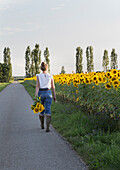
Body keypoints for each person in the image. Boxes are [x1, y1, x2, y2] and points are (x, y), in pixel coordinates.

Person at [35, 62, 56, 132]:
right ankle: (48, 127)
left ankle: (42, 125)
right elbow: (53, 87)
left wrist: (36, 96)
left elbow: (37, 86)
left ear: (41, 68)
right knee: (48, 109)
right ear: (47, 68)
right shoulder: (50, 76)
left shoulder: (38, 75)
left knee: (41, 109)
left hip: (41, 93)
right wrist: (54, 96)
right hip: (48, 92)